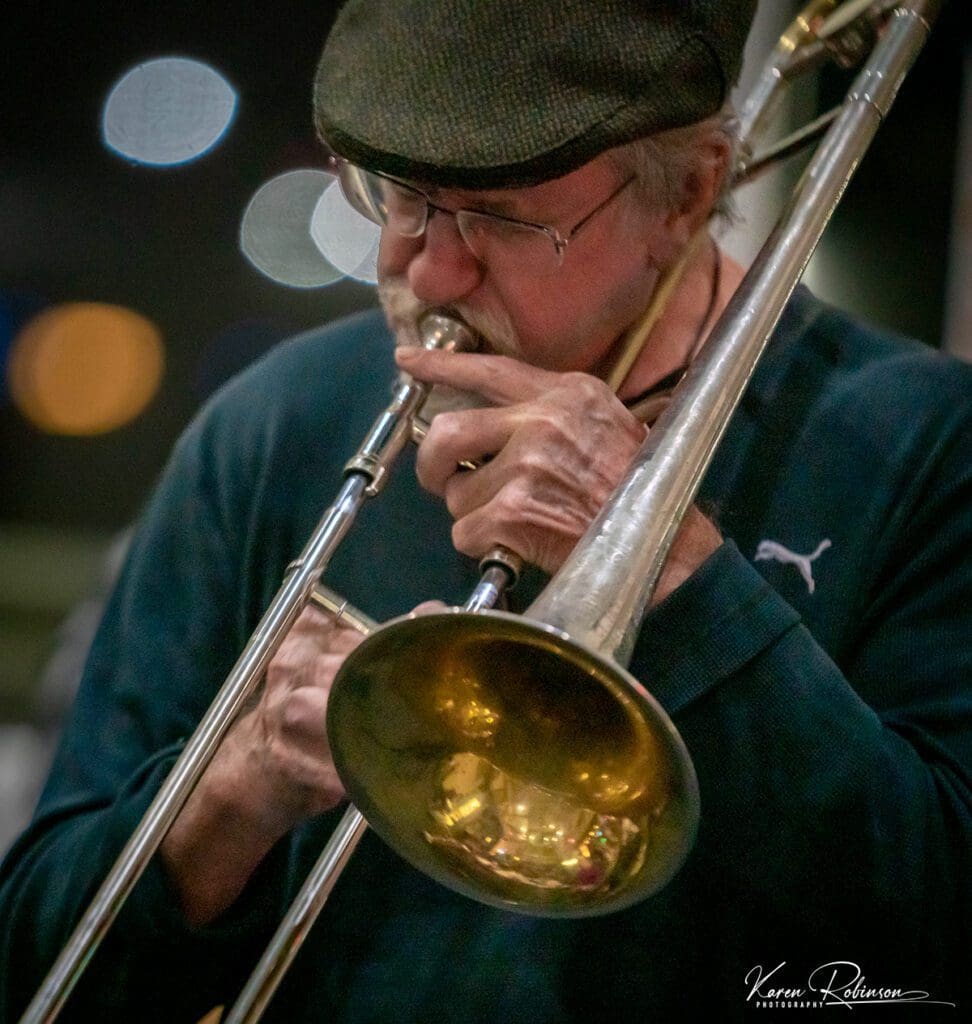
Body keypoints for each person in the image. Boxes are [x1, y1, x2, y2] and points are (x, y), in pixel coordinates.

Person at [2, 1, 970, 1020]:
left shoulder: (924, 442)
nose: (427, 270)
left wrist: (681, 573)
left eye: (502, 217)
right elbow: (39, 958)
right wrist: (232, 793)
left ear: (687, 195)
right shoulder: (276, 423)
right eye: (398, 195)